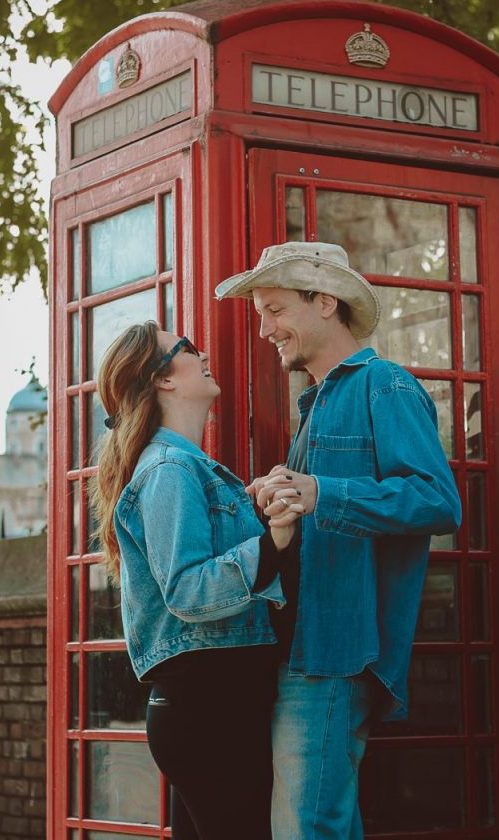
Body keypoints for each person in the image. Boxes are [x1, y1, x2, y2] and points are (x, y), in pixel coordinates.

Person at [216, 241, 462, 840]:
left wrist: (322, 492)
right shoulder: (315, 404)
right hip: (300, 641)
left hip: (336, 649)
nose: (265, 329)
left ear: (325, 302)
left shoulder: (385, 386)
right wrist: (277, 500)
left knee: (308, 827)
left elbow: (438, 499)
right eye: (260, 316)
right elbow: (312, 521)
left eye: (275, 310)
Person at [90, 321, 301, 840]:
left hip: (210, 706)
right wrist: (271, 541)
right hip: (212, 710)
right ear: (162, 380)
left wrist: (252, 508)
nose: (203, 351)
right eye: (185, 348)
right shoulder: (169, 469)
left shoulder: (185, 466)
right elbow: (186, 588)